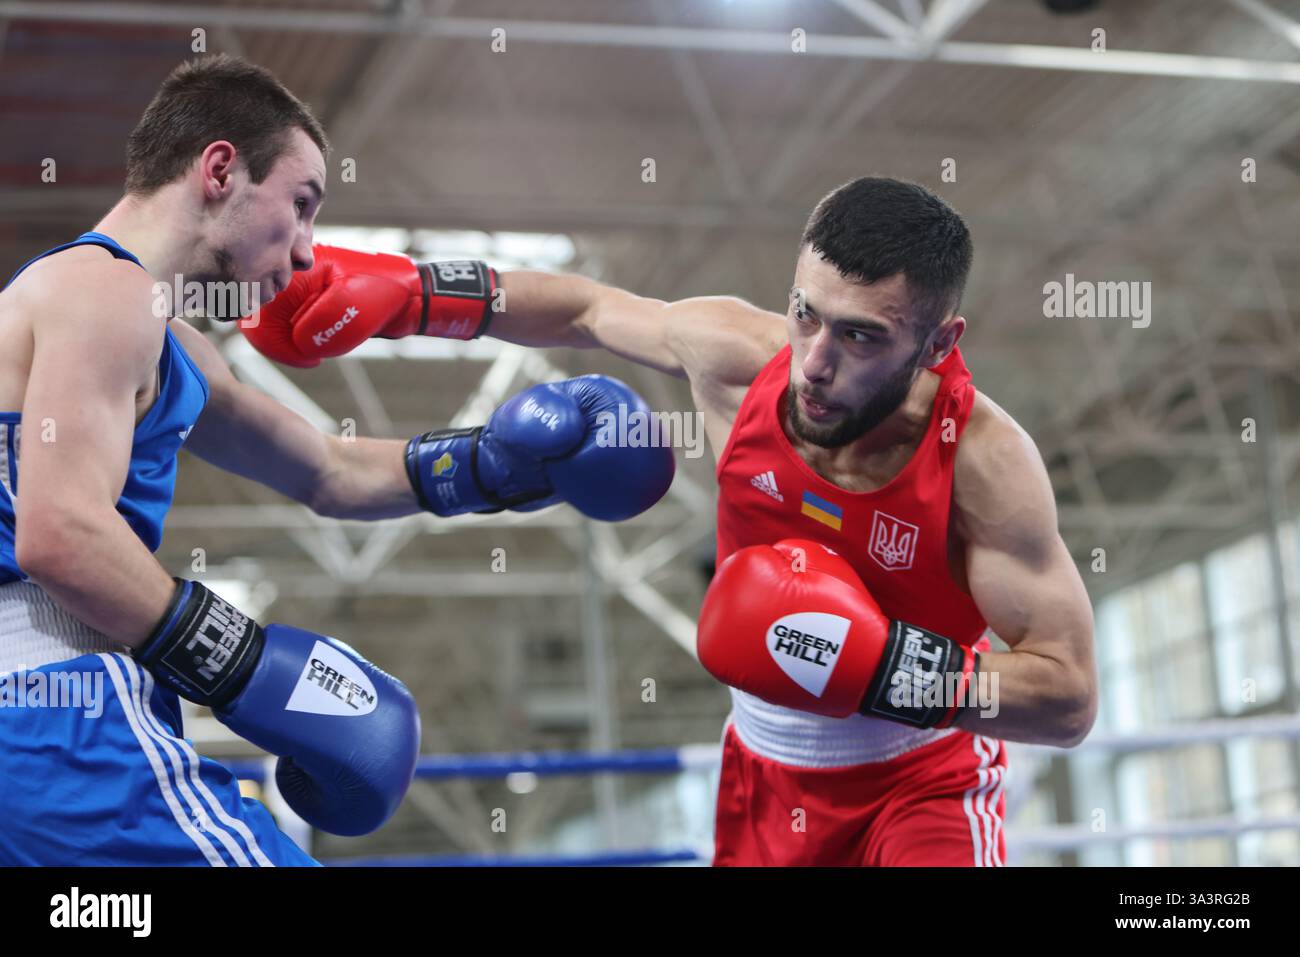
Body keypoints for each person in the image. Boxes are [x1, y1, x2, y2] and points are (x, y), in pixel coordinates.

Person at [241, 176, 1098, 866]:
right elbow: (585, 309)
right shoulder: (739, 358)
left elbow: (1067, 695)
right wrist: (414, 295)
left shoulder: (983, 463)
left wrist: (880, 669)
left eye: (861, 337)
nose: (815, 362)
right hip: (764, 778)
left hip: (923, 783)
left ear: (938, 344)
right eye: (805, 313)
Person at [0, 54, 672, 866]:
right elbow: (61, 534)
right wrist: (247, 668)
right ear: (220, 170)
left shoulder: (152, 331)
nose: (307, 252)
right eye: (301, 204)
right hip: (55, 722)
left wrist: (496, 465)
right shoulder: (108, 291)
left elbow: (325, 468)